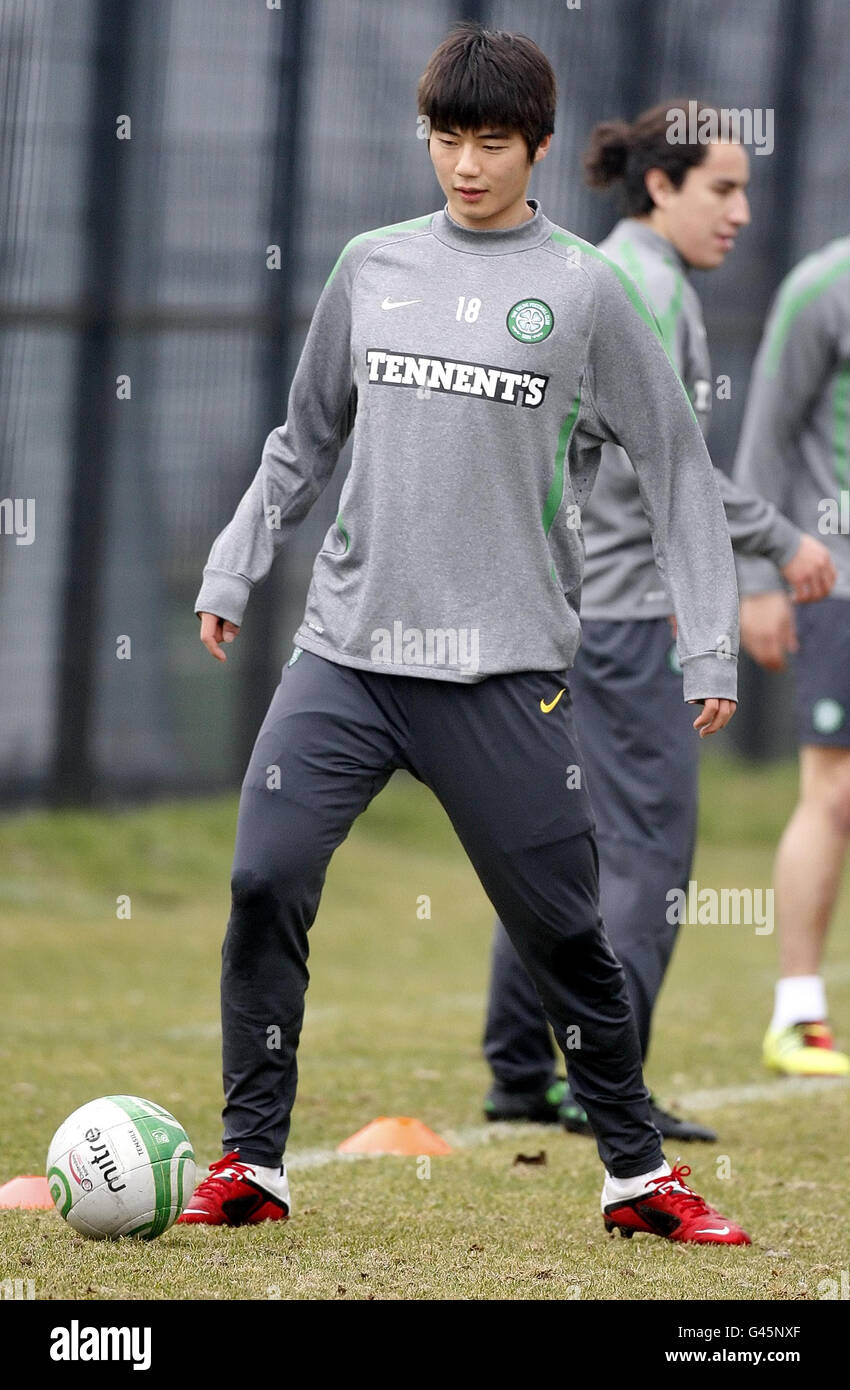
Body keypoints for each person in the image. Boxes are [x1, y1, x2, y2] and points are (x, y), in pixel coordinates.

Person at [180, 24, 752, 1244]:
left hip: (501, 674)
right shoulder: (369, 267)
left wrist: (708, 640)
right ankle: (251, 1160)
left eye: (492, 141)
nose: (466, 165)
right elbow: (304, 437)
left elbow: (675, 467)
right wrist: (237, 560)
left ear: (537, 146)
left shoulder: (585, 290)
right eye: (447, 137)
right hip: (344, 655)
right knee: (263, 877)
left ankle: (637, 1176)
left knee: (566, 933)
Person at [483, 103, 836, 1141]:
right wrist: (779, 539)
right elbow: (670, 464)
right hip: (625, 620)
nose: (740, 212)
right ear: (659, 188)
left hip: (551, 610)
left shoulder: (594, 271)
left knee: (555, 848)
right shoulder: (643, 287)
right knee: (647, 856)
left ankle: (518, 1072)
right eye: (721, 190)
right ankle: (607, 1085)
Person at [734, 238, 850, 1076]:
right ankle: (798, 1014)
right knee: (835, 794)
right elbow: (765, 438)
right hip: (835, 583)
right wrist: (756, 579)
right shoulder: (822, 287)